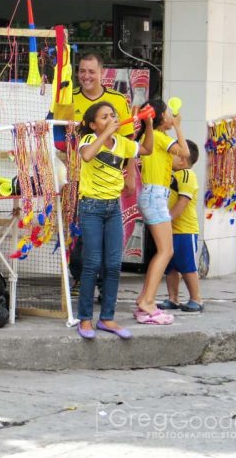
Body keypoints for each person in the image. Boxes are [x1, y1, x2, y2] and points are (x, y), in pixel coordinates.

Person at [75, 101, 153, 340]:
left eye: (113, 116)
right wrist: (106, 133)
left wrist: (148, 124)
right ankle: (85, 319)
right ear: (92, 125)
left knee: (113, 265)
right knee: (92, 263)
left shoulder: (123, 144)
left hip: (113, 209)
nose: (110, 119)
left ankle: (107, 317)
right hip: (91, 208)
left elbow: (147, 150)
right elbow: (87, 156)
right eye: (103, 117)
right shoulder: (88, 141)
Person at [70, 54, 136, 296]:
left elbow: (128, 140)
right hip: (77, 176)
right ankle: (80, 278)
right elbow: (60, 135)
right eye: (82, 71)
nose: (86, 76)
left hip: (110, 180)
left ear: (101, 72)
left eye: (91, 71)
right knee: (80, 233)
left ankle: (103, 289)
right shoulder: (69, 97)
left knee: (110, 240)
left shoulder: (117, 100)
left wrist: (130, 175)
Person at [134, 99, 190, 325]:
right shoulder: (159, 137)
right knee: (166, 251)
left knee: (163, 251)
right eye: (168, 113)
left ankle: (144, 300)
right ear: (160, 117)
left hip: (154, 195)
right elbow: (184, 151)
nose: (171, 115)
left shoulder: (155, 139)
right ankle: (148, 301)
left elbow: (179, 163)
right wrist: (177, 126)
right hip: (155, 197)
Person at [158, 140, 203, 312]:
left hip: (185, 230)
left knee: (187, 265)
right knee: (171, 266)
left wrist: (166, 221)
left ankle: (196, 299)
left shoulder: (186, 175)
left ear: (182, 159)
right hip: (171, 230)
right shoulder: (172, 175)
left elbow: (183, 202)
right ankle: (173, 298)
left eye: (173, 152)